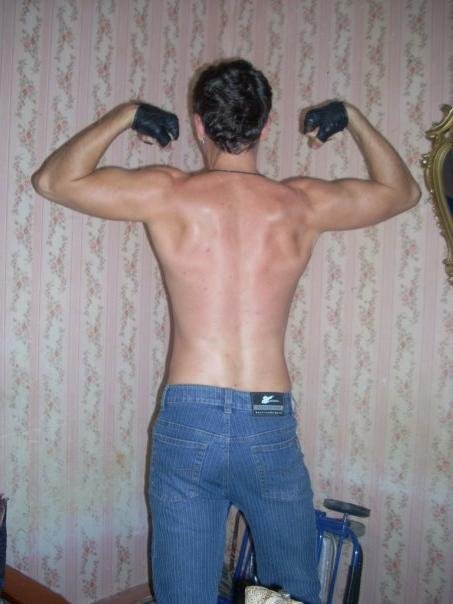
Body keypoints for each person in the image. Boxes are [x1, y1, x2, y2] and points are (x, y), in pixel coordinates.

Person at [32, 59, 420, 604]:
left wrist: (126, 115)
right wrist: (353, 118)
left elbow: (53, 180)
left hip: (190, 416)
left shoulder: (167, 192)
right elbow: (403, 192)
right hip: (268, 416)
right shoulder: (301, 203)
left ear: (197, 125)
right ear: (266, 126)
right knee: (293, 592)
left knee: (184, 595)